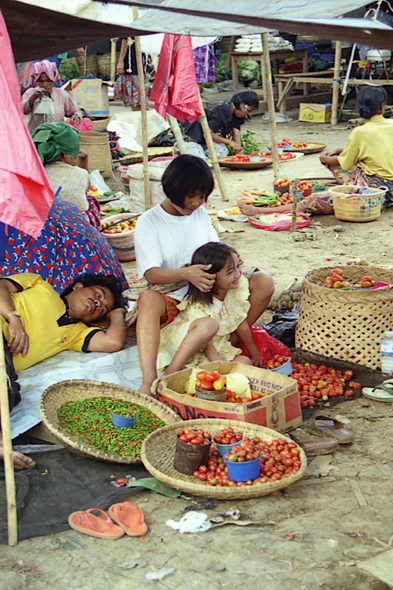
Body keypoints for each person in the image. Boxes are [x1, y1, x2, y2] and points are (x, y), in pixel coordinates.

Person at [135, 155, 274, 394]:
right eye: (192, 196)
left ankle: (225, 341)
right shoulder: (150, 221)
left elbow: (215, 251)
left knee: (264, 281)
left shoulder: (200, 214)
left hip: (211, 289)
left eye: (202, 197)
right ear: (174, 190)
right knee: (147, 299)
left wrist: (232, 257)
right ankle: (149, 381)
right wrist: (186, 274)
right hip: (175, 296)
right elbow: (151, 274)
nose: (198, 203)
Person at [1, 272, 127, 469]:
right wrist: (13, 318)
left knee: (8, 391)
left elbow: (113, 342)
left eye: (103, 308)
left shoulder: (75, 334)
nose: (98, 303)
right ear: (78, 286)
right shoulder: (39, 284)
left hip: (4, 362)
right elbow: (2, 286)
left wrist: (117, 313)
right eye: (98, 293)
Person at [158, 243, 261, 374]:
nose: (237, 274)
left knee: (246, 363)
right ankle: (173, 370)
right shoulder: (200, 305)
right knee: (209, 325)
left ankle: (204, 370)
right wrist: (217, 364)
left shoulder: (234, 291)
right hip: (186, 344)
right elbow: (206, 340)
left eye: (238, 267)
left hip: (215, 347)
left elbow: (241, 322)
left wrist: (255, 354)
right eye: (230, 272)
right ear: (210, 277)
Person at [319, 86, 393, 205]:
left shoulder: (360, 132)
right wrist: (342, 150)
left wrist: (324, 158)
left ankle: (349, 188)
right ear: (383, 106)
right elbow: (378, 150)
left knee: (335, 165)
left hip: (377, 190)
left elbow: (346, 164)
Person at [32, 122, 100, 227]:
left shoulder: (34, 172)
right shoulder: (81, 174)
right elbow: (85, 188)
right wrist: (84, 161)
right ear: (64, 155)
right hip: (73, 226)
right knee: (90, 200)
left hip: (40, 224)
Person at [183, 91, 259, 160]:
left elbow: (236, 131)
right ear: (242, 105)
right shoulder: (222, 110)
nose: (246, 115)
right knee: (199, 159)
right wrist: (230, 142)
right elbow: (208, 134)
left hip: (205, 138)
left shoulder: (238, 114)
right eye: (248, 111)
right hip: (191, 134)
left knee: (221, 153)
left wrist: (238, 152)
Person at [22, 60, 82, 132]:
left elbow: (75, 110)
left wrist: (76, 116)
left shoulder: (61, 94)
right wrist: (33, 99)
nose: (45, 84)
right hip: (36, 134)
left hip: (57, 134)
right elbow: (23, 110)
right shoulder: (31, 92)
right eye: (41, 81)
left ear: (53, 80)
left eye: (48, 81)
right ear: (36, 81)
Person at [115, 38, 149, 111]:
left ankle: (141, 117)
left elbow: (126, 39)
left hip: (136, 66)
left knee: (137, 102)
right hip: (137, 65)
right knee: (139, 103)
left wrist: (121, 61)